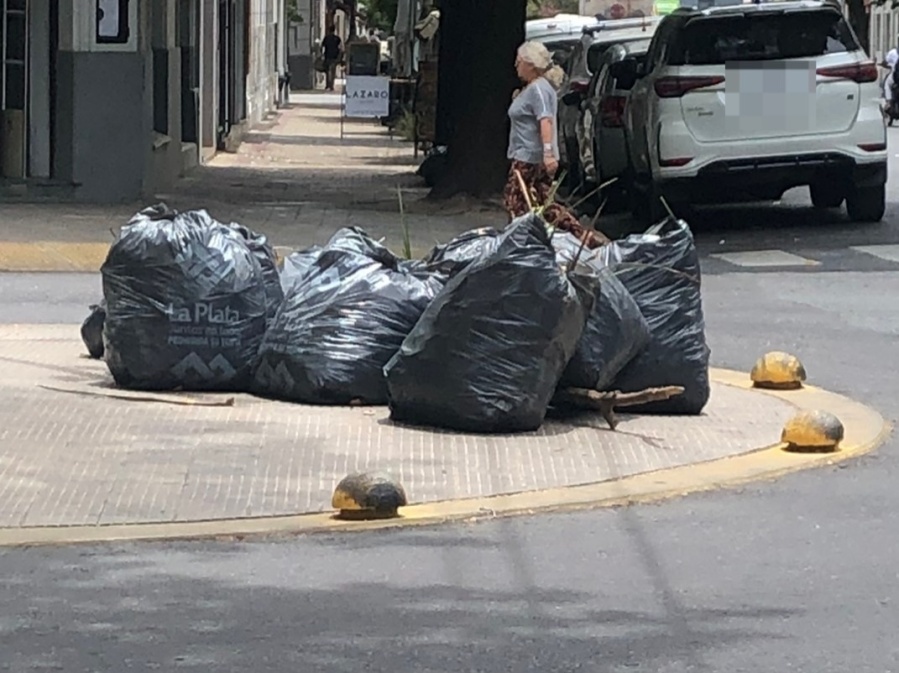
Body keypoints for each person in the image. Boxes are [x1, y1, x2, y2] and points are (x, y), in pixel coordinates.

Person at [503, 41, 608, 248]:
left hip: (529, 157)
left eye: (519, 61)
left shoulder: (539, 90)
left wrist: (548, 153)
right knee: (544, 204)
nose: (516, 65)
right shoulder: (534, 88)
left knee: (515, 199)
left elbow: (546, 121)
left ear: (531, 64)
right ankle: (582, 236)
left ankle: (520, 243)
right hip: (527, 154)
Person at [321, 25, 342, 91]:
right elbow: (340, 47)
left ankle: (327, 85)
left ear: (329, 30)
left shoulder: (326, 38)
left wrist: (322, 54)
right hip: (334, 57)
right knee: (333, 71)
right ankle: (331, 85)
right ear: (334, 30)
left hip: (327, 56)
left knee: (327, 71)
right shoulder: (337, 38)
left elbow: (322, 46)